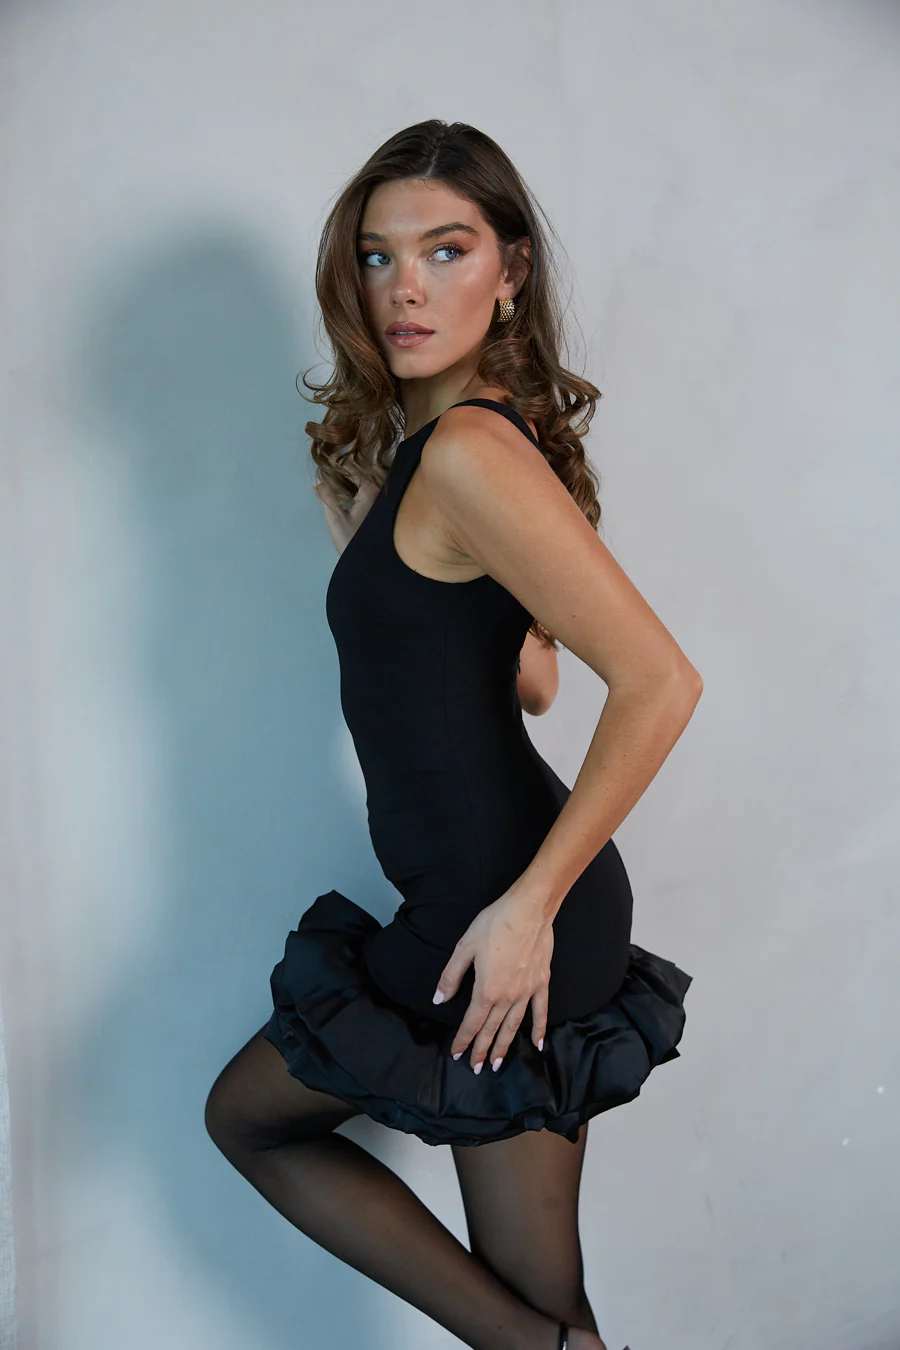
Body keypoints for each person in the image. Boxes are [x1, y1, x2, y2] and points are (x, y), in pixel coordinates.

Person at [205, 119, 701, 1350]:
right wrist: (373, 551)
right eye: (378, 256)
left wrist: (530, 909)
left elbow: (659, 684)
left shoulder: (472, 450)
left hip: (507, 911)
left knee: (250, 1119)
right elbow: (531, 679)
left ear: (511, 271)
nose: (406, 288)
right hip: (494, 900)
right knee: (541, 1291)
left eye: (446, 249)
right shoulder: (443, 455)